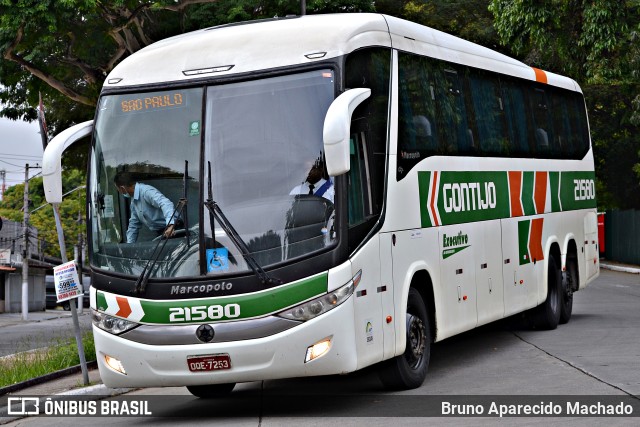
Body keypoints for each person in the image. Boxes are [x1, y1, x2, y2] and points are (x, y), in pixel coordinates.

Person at [114, 172, 180, 243]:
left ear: (122, 188)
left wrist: (171, 225)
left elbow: (166, 203)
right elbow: (133, 225)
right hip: (162, 233)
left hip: (174, 229)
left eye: (118, 190)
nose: (120, 192)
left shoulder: (146, 191)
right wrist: (129, 245)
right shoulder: (134, 202)